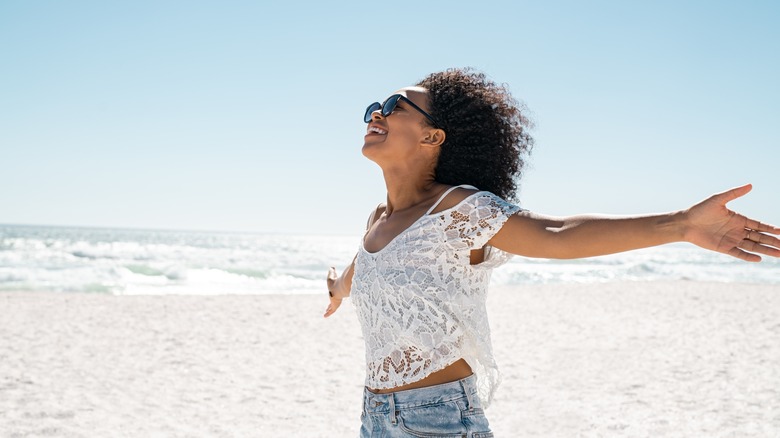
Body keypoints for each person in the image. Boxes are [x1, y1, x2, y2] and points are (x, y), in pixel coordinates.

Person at [323, 68, 779, 437]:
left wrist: (680, 224)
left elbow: (556, 233)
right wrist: (337, 288)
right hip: (374, 417)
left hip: (435, 420)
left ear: (433, 137)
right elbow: (362, 271)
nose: (375, 115)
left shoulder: (460, 208)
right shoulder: (379, 219)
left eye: (392, 107)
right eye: (372, 109)